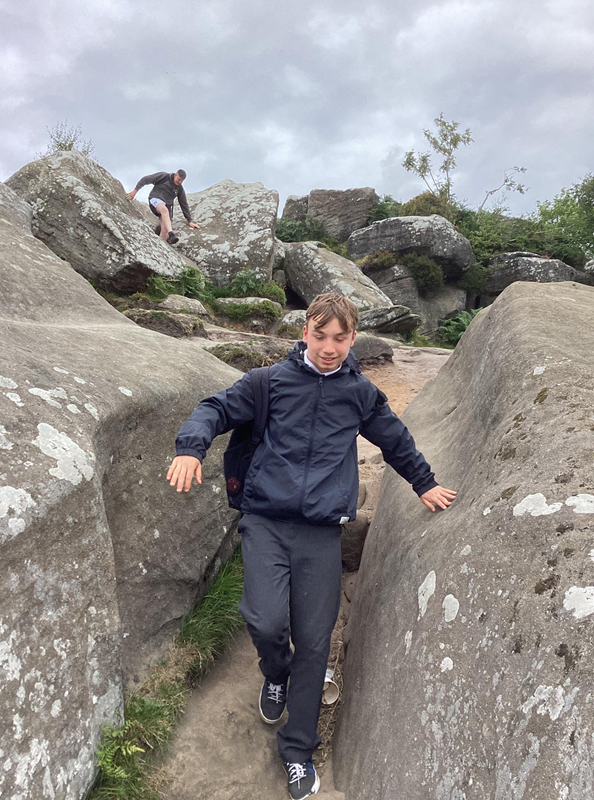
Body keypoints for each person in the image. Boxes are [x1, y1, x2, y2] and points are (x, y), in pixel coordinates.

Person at [166, 293, 457, 800]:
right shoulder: (268, 383)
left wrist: (424, 482)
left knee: (316, 642)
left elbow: (395, 440)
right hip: (266, 522)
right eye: (320, 336)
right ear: (305, 331)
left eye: (339, 338)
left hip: (323, 532)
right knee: (264, 620)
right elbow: (213, 409)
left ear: (353, 338)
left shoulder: (360, 393)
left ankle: (297, 752)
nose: (328, 347)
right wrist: (191, 449)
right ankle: (274, 672)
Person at [126, 169, 200, 244]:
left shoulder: (179, 189)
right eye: (179, 179)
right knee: (164, 210)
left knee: (164, 229)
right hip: (155, 199)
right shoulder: (164, 176)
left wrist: (189, 221)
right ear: (175, 175)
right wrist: (134, 192)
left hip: (167, 206)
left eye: (182, 181)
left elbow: (184, 204)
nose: (180, 182)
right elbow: (145, 179)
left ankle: (159, 247)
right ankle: (171, 233)